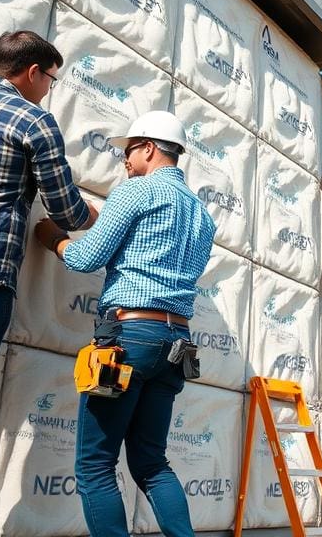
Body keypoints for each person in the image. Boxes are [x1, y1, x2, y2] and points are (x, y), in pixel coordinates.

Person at [35, 110, 215, 537]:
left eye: (128, 150)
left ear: (149, 148)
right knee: (151, 462)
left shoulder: (135, 193)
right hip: (177, 344)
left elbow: (84, 258)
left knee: (95, 464)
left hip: (127, 337)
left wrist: (51, 237)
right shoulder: (202, 216)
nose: (124, 160)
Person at [0, 31, 96, 505]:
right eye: (50, 78)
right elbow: (67, 212)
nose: (49, 88)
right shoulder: (33, 121)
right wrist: (97, 214)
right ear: (32, 72)